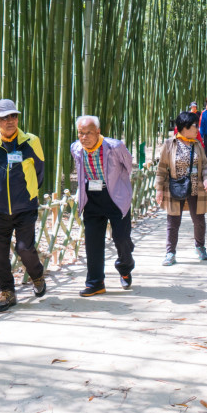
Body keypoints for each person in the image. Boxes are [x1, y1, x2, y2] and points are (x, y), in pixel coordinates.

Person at [0, 99, 46, 313]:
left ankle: (37, 275)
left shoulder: (31, 141)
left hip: (25, 207)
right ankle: (7, 292)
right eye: (4, 117)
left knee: (24, 248)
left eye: (14, 116)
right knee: (0, 253)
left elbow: (39, 172)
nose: (10, 121)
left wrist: (30, 193)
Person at [70, 116, 135, 297]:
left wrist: (118, 185)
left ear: (98, 132)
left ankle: (125, 267)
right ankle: (95, 282)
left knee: (121, 238)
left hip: (116, 196)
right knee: (93, 241)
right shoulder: (76, 148)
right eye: (81, 133)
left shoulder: (115, 147)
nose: (84, 137)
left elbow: (128, 166)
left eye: (88, 133)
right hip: (91, 198)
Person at [155, 112, 207, 266]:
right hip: (176, 187)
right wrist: (159, 189)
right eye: (195, 126)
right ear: (185, 127)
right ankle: (170, 253)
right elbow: (162, 168)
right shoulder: (169, 144)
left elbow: (205, 165)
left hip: (196, 188)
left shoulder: (197, 144)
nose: (197, 129)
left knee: (199, 220)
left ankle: (200, 247)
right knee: (173, 221)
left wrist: (206, 178)